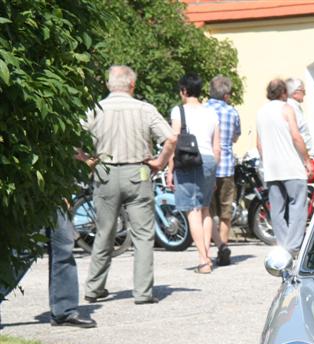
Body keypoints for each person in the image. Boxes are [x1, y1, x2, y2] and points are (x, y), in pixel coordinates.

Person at [82, 65, 176, 305]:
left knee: (104, 231)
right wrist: (159, 162)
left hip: (105, 172)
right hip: (138, 172)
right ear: (132, 85)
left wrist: (88, 160)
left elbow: (71, 139)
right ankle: (143, 292)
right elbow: (170, 138)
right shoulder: (144, 109)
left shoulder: (95, 109)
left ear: (108, 85)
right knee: (143, 235)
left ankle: (94, 288)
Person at [167, 73, 221, 274]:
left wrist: (170, 169)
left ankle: (203, 260)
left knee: (193, 210)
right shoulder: (211, 113)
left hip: (188, 161)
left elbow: (174, 141)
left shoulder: (178, 111)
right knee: (205, 208)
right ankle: (206, 255)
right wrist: (214, 170)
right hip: (208, 160)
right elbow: (217, 148)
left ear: (183, 90)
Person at [256, 78, 312, 255]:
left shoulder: (261, 112)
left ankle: (282, 244)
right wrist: (307, 159)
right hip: (291, 165)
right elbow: (296, 136)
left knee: (277, 208)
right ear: (284, 93)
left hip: (272, 167)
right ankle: (293, 245)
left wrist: (267, 160)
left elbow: (259, 144)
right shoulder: (286, 109)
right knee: (298, 205)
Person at [205, 75, 241, 266]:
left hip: (207, 166)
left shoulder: (203, 110)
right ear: (226, 95)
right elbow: (235, 137)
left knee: (207, 211)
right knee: (226, 212)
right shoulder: (232, 112)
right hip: (226, 166)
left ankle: (210, 250)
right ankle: (223, 248)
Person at [48, 210, 96, 327]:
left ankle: (64, 313)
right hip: (31, 197)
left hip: (56, 199)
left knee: (64, 248)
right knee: (24, 253)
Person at [286, 77, 314, 153]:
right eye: (303, 91)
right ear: (295, 93)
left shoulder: (294, 106)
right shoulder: (291, 108)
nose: (305, 94)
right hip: (298, 153)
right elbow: (296, 134)